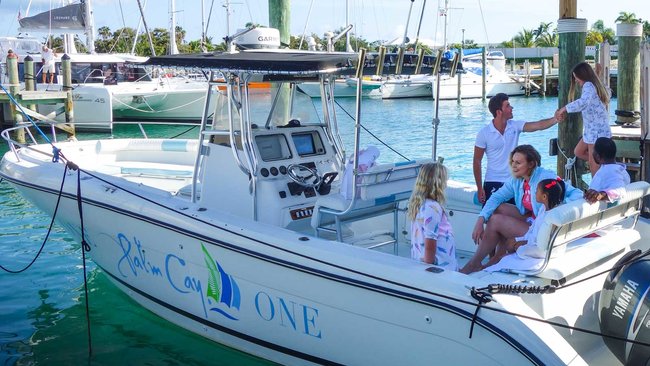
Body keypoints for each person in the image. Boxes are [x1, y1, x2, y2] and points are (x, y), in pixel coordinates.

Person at [460, 145, 583, 274]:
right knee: (498, 208)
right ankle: (496, 257)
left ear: (531, 164)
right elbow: (496, 197)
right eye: (512, 161)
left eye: (518, 162)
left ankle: (476, 263)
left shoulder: (545, 178)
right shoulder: (517, 180)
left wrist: (554, 209)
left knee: (496, 220)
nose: (513, 165)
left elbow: (577, 194)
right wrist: (481, 219)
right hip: (531, 218)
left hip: (540, 226)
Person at [474, 93, 564, 206]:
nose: (512, 108)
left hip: (514, 181)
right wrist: (479, 187)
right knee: (492, 215)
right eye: (508, 106)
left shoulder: (514, 126)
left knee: (516, 213)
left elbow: (538, 125)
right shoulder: (484, 133)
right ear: (499, 112)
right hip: (493, 181)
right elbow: (477, 161)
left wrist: (555, 119)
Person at [483, 178, 566, 268]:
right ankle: (503, 258)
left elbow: (540, 242)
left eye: (537, 191)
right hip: (534, 241)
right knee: (510, 242)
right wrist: (519, 240)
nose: (534, 193)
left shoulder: (549, 217)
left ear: (544, 197)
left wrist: (520, 244)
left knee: (518, 250)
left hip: (541, 249)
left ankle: (506, 260)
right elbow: (533, 229)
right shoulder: (543, 208)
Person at [556, 62, 611, 176]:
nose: (576, 80)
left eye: (577, 77)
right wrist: (597, 74)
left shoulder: (588, 85)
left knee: (593, 163)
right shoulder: (595, 85)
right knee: (578, 152)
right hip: (595, 130)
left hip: (595, 132)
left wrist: (564, 109)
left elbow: (583, 102)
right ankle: (605, 165)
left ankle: (596, 188)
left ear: (583, 75)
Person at [407, 162, 458, 271]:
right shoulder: (432, 208)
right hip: (438, 268)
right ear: (438, 183)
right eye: (445, 180)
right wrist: (429, 267)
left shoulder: (420, 204)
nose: (446, 184)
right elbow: (430, 243)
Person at [584, 137, 630, 204]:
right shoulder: (621, 170)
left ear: (597, 156)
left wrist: (602, 195)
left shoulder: (611, 172)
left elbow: (620, 190)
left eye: (593, 151)